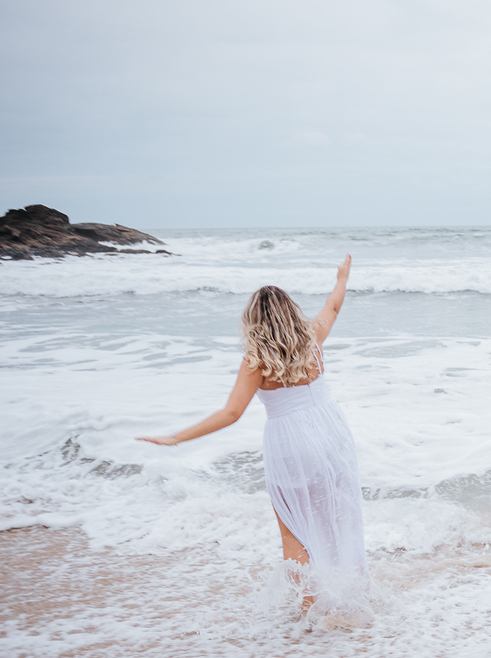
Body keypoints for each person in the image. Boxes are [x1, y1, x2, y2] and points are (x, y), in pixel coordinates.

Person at [139, 255, 370, 628]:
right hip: (333, 434)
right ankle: (351, 597)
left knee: (295, 532)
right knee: (336, 520)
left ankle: (310, 613)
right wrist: (342, 276)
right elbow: (334, 304)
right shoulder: (313, 337)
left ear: (254, 321)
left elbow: (231, 413)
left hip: (291, 443)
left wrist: (176, 438)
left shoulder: (256, 360)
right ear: (291, 312)